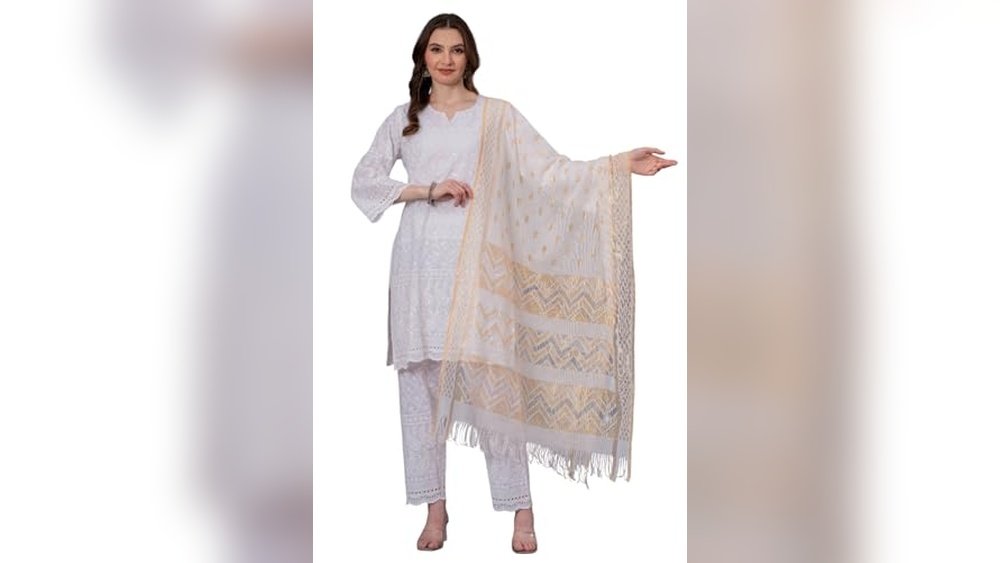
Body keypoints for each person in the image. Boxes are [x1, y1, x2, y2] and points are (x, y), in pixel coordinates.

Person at [351, 13, 676, 554]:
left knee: (494, 394)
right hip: (416, 269)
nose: (447, 59)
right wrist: (427, 189)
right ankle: (435, 510)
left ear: (470, 57)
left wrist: (618, 165)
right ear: (423, 57)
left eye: (457, 49)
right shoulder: (404, 121)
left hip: (479, 272)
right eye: (437, 49)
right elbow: (364, 181)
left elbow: (550, 170)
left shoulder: (496, 116)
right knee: (420, 392)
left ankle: (520, 511)